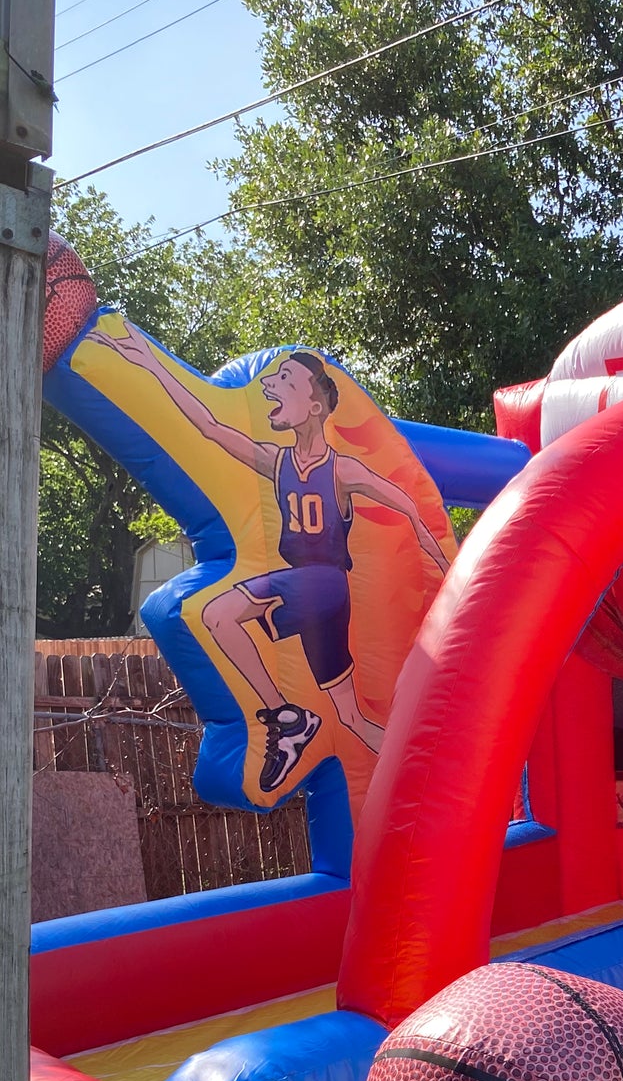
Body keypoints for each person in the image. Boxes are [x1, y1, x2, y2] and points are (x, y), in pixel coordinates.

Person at [90, 321, 450, 792]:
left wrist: (449, 577)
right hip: (321, 599)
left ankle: (285, 718)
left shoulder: (341, 469)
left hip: (320, 583)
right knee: (351, 717)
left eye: (285, 380)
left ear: (315, 405)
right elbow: (210, 427)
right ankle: (421, 771)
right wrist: (148, 360)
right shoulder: (277, 462)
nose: (269, 384)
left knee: (218, 613)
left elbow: (407, 506)